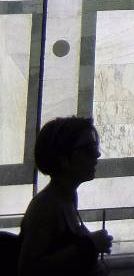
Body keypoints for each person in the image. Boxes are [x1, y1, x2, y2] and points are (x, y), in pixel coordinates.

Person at [17, 117, 113, 276]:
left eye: (95, 146)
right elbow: (28, 269)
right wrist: (90, 245)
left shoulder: (66, 197)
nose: (97, 154)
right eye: (88, 149)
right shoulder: (46, 206)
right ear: (63, 159)